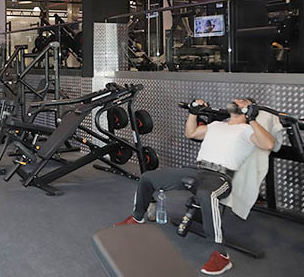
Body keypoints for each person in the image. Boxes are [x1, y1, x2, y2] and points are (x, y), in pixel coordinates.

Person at [114, 98, 274, 276]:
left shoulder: (248, 130)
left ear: (249, 109)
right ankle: (137, 218)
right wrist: (193, 113)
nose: (236, 100)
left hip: (220, 177)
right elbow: (191, 133)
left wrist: (252, 119)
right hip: (196, 170)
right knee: (148, 178)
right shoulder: (217, 125)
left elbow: (268, 144)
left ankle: (221, 255)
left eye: (242, 101)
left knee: (207, 194)